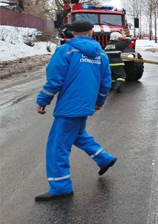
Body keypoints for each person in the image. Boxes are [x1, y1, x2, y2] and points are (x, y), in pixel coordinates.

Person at [34, 20, 117, 201]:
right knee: (77, 134)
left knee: (57, 146)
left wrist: (43, 100)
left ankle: (60, 187)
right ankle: (104, 158)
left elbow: (54, 79)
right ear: (91, 32)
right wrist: (100, 101)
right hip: (85, 105)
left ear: (72, 33)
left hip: (69, 106)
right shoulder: (101, 54)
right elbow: (105, 82)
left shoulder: (66, 50)